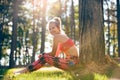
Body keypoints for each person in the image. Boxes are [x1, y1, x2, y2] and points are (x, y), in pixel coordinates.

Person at [14, 17, 79, 74]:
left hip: (71, 63)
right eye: (50, 29)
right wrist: (45, 55)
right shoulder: (61, 36)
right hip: (72, 63)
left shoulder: (57, 37)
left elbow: (53, 54)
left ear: (58, 27)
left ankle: (25, 70)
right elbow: (55, 55)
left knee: (44, 58)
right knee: (44, 57)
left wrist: (43, 55)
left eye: (53, 28)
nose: (51, 30)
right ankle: (26, 70)